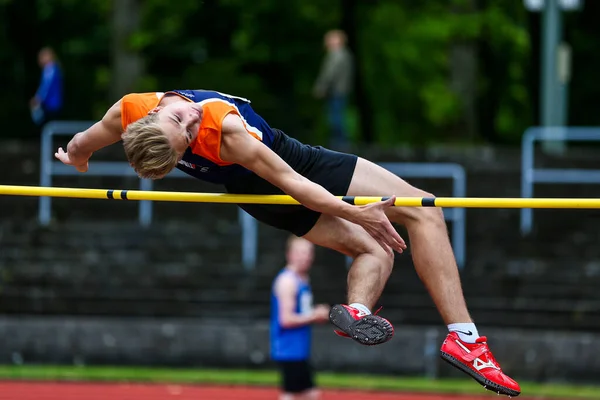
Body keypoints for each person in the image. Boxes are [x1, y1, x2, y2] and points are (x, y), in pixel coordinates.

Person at [55, 89, 520, 397]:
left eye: (184, 119)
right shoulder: (225, 132)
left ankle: (356, 311)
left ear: (152, 113)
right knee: (425, 209)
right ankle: (466, 339)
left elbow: (81, 144)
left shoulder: (128, 112)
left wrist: (74, 158)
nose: (194, 116)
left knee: (374, 248)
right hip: (292, 173)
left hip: (259, 194)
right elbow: (295, 183)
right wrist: (355, 211)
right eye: (188, 135)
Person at [271, 236, 329, 400]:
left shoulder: (302, 279)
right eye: (301, 253)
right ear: (290, 254)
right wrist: (314, 315)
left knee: (308, 394)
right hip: (288, 349)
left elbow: (301, 311)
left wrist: (314, 313)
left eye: (309, 253)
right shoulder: (287, 281)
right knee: (296, 395)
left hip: (299, 348)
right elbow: (286, 319)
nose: (307, 257)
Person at [313, 30, 354, 150]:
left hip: (336, 91)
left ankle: (340, 145)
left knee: (336, 119)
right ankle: (340, 144)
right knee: (337, 117)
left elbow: (329, 74)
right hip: (340, 90)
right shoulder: (345, 54)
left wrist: (321, 87)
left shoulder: (336, 55)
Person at [30, 47, 64, 126]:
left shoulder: (50, 69)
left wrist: (38, 99)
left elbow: (46, 88)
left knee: (48, 126)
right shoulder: (52, 69)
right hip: (52, 103)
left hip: (51, 104)